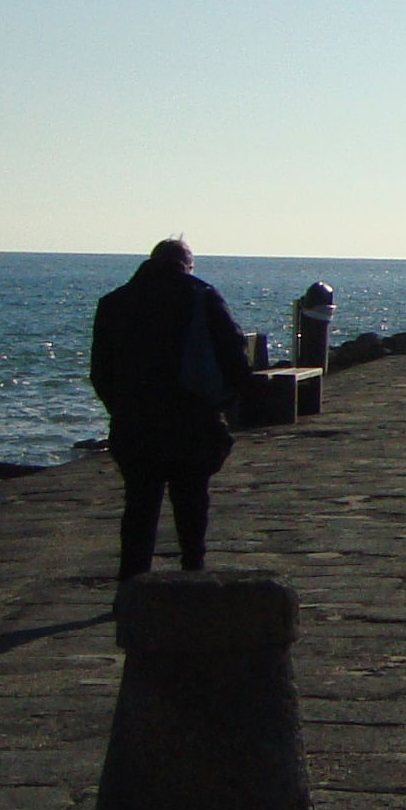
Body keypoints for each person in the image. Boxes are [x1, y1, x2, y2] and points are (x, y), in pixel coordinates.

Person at [89, 239, 248, 581]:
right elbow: (235, 356)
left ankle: (131, 587)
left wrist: (119, 408)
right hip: (191, 419)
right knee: (192, 503)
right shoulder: (202, 296)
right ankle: (192, 575)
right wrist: (223, 402)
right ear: (186, 264)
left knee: (139, 507)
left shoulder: (114, 303)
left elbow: (100, 371)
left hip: (135, 423)